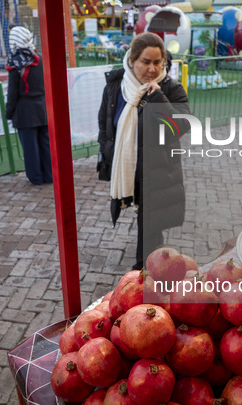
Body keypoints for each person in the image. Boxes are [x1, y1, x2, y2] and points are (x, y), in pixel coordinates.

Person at [97, 32, 190, 270]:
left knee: (151, 222)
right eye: (146, 62)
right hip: (127, 166)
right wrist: (107, 152)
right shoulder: (116, 86)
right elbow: (106, 122)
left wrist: (158, 97)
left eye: (157, 62)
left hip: (156, 170)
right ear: (132, 61)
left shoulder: (170, 88)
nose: (152, 68)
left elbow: (182, 125)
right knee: (143, 215)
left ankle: (146, 269)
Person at [5, 26, 52, 186]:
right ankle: (49, 175)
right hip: (42, 108)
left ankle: (36, 178)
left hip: (25, 111)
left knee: (30, 147)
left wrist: (8, 112)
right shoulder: (40, 59)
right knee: (45, 144)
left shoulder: (16, 63)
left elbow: (12, 93)